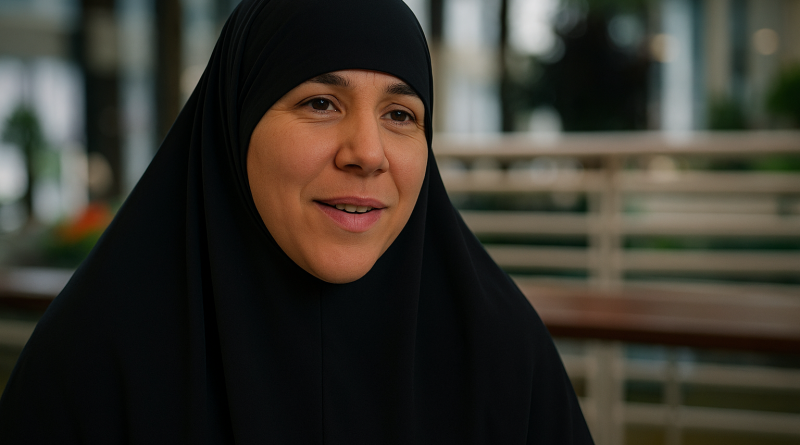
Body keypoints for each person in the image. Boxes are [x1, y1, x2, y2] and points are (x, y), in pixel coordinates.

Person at [0, 0, 594, 443]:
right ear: (235, 126)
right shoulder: (94, 363)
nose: (367, 152)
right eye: (320, 103)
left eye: (399, 113)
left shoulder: (500, 353)